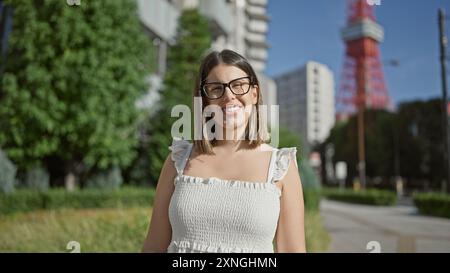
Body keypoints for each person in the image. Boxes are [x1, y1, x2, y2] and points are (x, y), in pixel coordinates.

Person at [142, 49, 306, 253]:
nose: (229, 96)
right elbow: (153, 247)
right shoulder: (179, 160)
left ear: (254, 94)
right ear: (205, 99)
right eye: (216, 88)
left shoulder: (281, 165)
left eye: (238, 86)